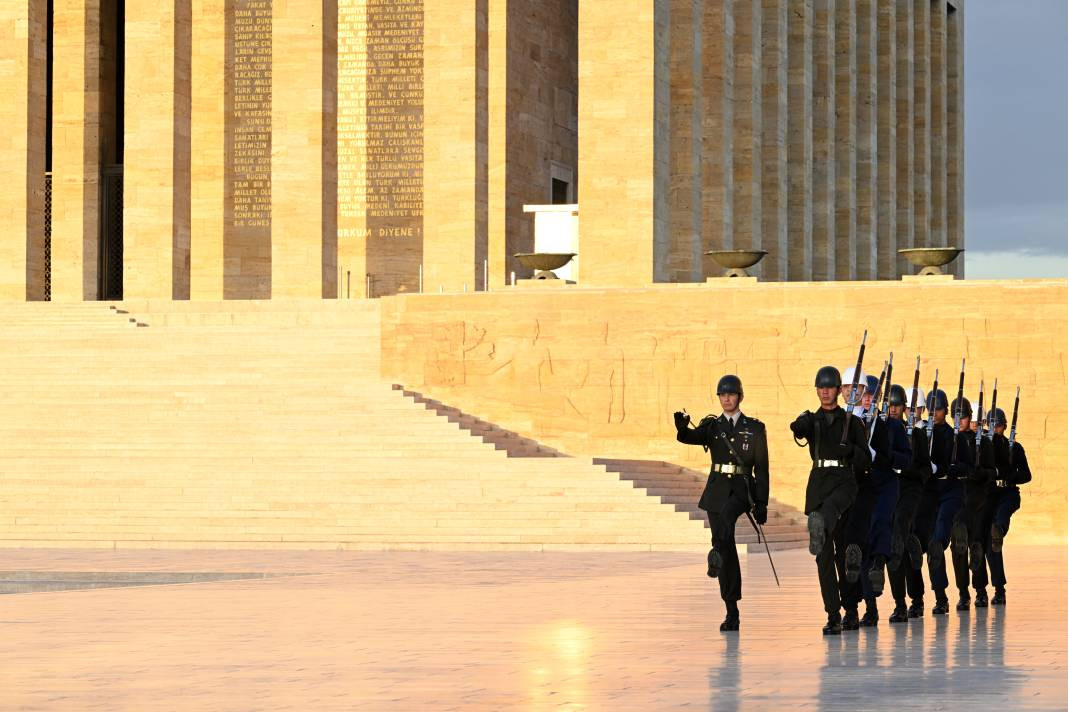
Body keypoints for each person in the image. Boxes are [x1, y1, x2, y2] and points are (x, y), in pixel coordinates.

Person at [674, 374, 770, 632]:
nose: (726, 398)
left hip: (740, 489)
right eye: (722, 395)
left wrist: (761, 503)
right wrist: (682, 427)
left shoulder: (754, 427)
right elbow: (689, 438)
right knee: (726, 546)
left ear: (739, 396)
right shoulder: (713, 427)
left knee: (727, 519)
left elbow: (761, 468)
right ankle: (732, 610)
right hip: (716, 489)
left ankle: (716, 552)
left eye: (731, 394)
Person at [790, 366, 872, 635]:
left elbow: (866, 461)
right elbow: (800, 430)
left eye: (830, 387)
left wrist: (851, 450)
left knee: (842, 549)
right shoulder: (811, 420)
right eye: (820, 387)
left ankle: (851, 609)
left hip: (844, 485)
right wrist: (798, 426)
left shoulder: (851, 421)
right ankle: (834, 613)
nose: (825, 391)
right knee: (824, 556)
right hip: (819, 484)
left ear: (838, 390)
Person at [837, 373, 891, 630]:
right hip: (841, 489)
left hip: (867, 488)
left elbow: (892, 458)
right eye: (846, 387)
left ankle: (868, 607)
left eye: (856, 388)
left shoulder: (880, 423)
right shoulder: (840, 418)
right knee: (846, 553)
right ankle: (849, 608)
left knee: (860, 550)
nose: (851, 392)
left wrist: (872, 454)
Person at [859, 379, 909, 627]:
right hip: (862, 488)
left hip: (887, 485)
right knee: (865, 542)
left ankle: (900, 602)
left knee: (884, 532)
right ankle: (870, 607)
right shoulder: (853, 422)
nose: (867, 399)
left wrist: (882, 455)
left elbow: (905, 460)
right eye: (863, 394)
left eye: (872, 395)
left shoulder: (891, 426)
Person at [925, 389, 974, 615]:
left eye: (938, 409)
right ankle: (940, 596)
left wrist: (950, 469)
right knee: (931, 546)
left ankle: (964, 592)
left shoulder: (954, 436)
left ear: (945, 410)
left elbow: (968, 467)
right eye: (931, 409)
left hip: (952, 492)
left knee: (941, 541)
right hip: (929, 493)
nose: (934, 413)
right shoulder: (922, 433)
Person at [886, 386, 933, 623]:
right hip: (888, 491)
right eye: (890, 405)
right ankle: (900, 602)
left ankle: (914, 599)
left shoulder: (915, 435)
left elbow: (925, 469)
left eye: (897, 406)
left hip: (910, 492)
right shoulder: (880, 431)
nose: (893, 409)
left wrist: (907, 469)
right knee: (899, 547)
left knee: (898, 536)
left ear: (904, 408)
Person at [978, 407, 1032, 606]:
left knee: (1000, 521)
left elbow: (1026, 475)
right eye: (991, 425)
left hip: (1008, 493)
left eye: (998, 425)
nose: (995, 429)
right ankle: (990, 590)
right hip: (989, 495)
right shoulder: (983, 446)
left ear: (1005, 426)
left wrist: (1011, 476)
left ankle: (998, 530)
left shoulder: (1014, 448)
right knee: (987, 546)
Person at [948, 397, 996, 611]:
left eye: (964, 416)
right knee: (958, 546)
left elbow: (991, 471)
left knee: (976, 544)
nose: (960, 420)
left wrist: (979, 473)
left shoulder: (983, 441)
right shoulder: (949, 438)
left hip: (977, 498)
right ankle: (963, 592)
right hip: (957, 496)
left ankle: (981, 590)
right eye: (956, 416)